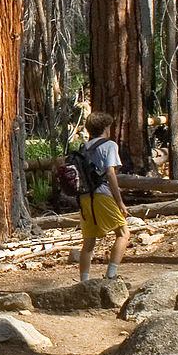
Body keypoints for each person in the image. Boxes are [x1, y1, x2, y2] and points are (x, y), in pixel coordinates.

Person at [77, 111, 130, 283]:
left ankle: (84, 282)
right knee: (123, 233)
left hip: (85, 197)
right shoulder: (110, 145)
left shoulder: (83, 148)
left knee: (88, 242)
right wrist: (120, 201)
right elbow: (110, 173)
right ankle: (111, 276)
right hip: (102, 194)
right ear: (106, 128)